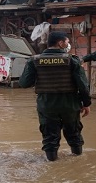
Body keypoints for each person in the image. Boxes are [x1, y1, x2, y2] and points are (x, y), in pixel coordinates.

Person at [19, 31, 91, 162]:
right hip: (70, 104)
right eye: (67, 42)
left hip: (46, 105)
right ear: (60, 43)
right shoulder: (72, 60)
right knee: (74, 134)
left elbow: (24, 83)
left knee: (50, 137)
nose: (68, 44)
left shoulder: (34, 60)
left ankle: (52, 163)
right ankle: (78, 162)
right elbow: (83, 85)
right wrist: (86, 104)